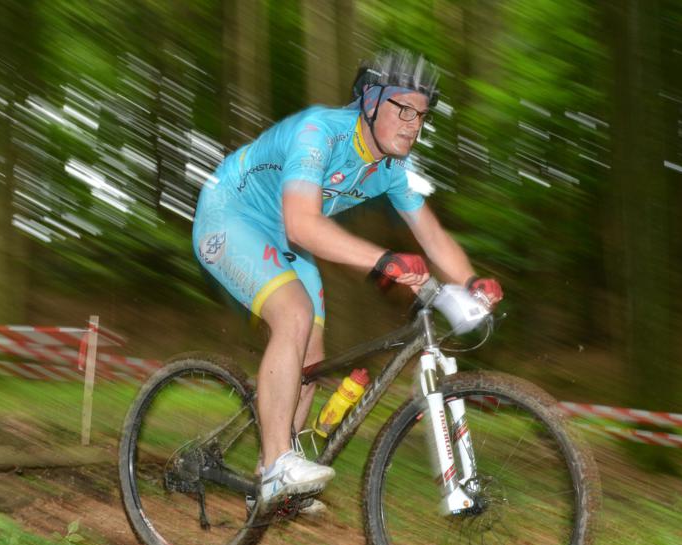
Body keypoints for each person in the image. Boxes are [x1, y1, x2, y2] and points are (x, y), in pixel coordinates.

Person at [192, 50, 503, 510]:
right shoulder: (319, 132)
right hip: (231, 215)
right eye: (404, 109)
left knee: (312, 358)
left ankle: (271, 476)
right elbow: (303, 224)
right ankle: (278, 464)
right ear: (371, 102)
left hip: (283, 236)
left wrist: (471, 281)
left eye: (421, 115)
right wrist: (382, 259)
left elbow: (433, 237)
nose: (414, 125)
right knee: (294, 315)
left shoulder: (391, 170)